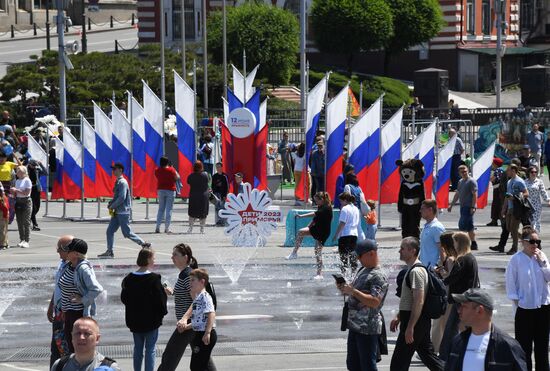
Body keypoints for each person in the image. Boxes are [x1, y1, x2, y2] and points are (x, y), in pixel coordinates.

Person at [157, 244, 216, 371]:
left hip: (188, 325)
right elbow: (189, 296)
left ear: (185, 257)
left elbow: (197, 301)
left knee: (170, 356)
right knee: (203, 361)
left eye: (175, 255)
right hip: (191, 324)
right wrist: (172, 291)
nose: (172, 257)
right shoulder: (184, 274)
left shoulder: (188, 275)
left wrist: (184, 319)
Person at [390, 237, 444, 371]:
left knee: (398, 363)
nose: (399, 251)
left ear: (412, 251)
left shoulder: (416, 271)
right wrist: (399, 316)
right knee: (428, 357)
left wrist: (410, 327)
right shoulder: (412, 269)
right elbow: (410, 300)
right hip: (417, 320)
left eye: (403, 248)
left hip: (415, 321)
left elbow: (419, 300)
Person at [444, 288, 527, 371]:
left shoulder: (507, 346)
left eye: (464, 306)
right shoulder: (457, 342)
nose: (459, 310)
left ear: (479, 310)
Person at [337, 239, 389, 370]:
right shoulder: (363, 270)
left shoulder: (378, 275)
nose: (358, 259)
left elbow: (375, 301)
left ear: (371, 253)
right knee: (353, 365)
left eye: (360, 256)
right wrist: (344, 288)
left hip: (367, 328)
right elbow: (355, 293)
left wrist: (353, 291)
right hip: (355, 325)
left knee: (367, 366)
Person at [506, 227, 550, 371]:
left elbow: (548, 278)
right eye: (532, 241)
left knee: (542, 348)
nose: (535, 245)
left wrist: (543, 262)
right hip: (525, 309)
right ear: (523, 242)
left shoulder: (541, 257)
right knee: (524, 349)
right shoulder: (516, 260)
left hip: (543, 308)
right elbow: (511, 286)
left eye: (537, 241)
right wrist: (518, 306)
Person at [121, 248, 168, 371]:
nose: (154, 260)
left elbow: (124, 298)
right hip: (151, 320)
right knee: (150, 349)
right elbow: (160, 300)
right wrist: (162, 313)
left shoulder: (129, 278)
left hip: (135, 320)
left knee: (138, 348)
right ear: (148, 259)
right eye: (153, 258)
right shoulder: (154, 279)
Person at [438, 232, 480, 361]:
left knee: (452, 328)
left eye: (455, 242)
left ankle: (445, 356)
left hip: (462, 300)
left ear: (459, 243)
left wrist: (438, 279)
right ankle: (475, 351)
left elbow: (452, 278)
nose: (454, 245)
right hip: (469, 298)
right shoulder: (470, 258)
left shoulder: (462, 259)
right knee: (468, 327)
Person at [57, 238, 103, 354]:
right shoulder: (69, 265)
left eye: (69, 251)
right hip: (68, 312)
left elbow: (96, 289)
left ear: (76, 254)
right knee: (70, 349)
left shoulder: (83, 268)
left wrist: (83, 299)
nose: (66, 253)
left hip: (77, 314)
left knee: (76, 350)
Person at [99, 163, 150, 258]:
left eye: (115, 169)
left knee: (127, 233)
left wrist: (113, 205)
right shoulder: (118, 181)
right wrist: (111, 203)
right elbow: (117, 196)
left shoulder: (122, 182)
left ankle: (144, 244)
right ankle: (109, 251)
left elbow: (122, 197)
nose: (113, 171)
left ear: (120, 170)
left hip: (123, 211)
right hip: (118, 211)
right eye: (113, 169)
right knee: (110, 231)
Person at [286, 192, 333, 279]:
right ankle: (294, 253)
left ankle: (319, 274)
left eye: (316, 201)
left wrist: (301, 216)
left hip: (323, 232)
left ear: (322, 200)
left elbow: (314, 214)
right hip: (317, 228)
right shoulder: (321, 206)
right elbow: (315, 219)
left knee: (317, 252)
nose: (315, 202)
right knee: (301, 232)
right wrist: (308, 227)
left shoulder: (327, 208)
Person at [180, 268, 217, 371]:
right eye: (189, 280)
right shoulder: (198, 297)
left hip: (205, 334)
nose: (190, 282)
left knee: (198, 366)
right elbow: (199, 320)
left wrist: (208, 332)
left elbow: (211, 313)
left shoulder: (205, 297)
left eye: (193, 280)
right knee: (198, 366)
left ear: (202, 282)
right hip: (200, 334)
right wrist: (186, 327)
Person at [51, 317, 121, 371]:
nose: (81, 337)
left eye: (87, 334)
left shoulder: (109, 367)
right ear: (72, 337)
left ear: (97, 339)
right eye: (78, 333)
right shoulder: (59, 365)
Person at [47, 235, 72, 367]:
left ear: (68, 249)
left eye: (60, 248)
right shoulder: (62, 264)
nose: (57, 251)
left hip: (67, 315)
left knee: (66, 350)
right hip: (58, 313)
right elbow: (58, 286)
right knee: (56, 349)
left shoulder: (76, 267)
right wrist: (51, 305)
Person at [431, 232, 457, 354]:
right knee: (442, 323)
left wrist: (441, 271)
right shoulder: (449, 257)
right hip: (446, 295)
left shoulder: (451, 259)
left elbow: (450, 278)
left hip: (447, 295)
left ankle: (436, 349)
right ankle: (440, 348)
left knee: (439, 323)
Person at [448, 165, 478, 250]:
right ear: (459, 173)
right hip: (463, 206)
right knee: (469, 227)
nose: (464, 173)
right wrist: (451, 205)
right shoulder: (460, 181)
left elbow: (475, 195)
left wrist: (472, 207)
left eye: (465, 171)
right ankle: (473, 243)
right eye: (462, 172)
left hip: (468, 207)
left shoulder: (471, 181)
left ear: (468, 171)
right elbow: (457, 194)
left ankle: (462, 244)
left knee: (462, 225)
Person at [502, 164, 529, 255]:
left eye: (508, 170)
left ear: (513, 171)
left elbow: (526, 193)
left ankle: (514, 248)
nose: (507, 172)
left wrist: (517, 196)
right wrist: (503, 208)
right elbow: (507, 196)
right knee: (509, 228)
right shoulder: (509, 181)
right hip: (509, 208)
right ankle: (527, 240)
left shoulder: (519, 181)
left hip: (517, 208)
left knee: (514, 228)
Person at [333, 192, 361, 275]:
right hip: (354, 234)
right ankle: (354, 273)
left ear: (345, 200)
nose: (341, 203)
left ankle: (344, 274)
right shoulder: (356, 208)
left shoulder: (345, 209)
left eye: (341, 201)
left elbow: (342, 223)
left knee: (343, 256)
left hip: (345, 234)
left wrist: (336, 235)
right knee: (352, 255)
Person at [155, 156, 179, 234]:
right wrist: (173, 168)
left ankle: (157, 227)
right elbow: (177, 177)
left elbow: (157, 177)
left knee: (161, 209)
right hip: (170, 190)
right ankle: (167, 228)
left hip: (161, 189)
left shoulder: (157, 170)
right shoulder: (171, 170)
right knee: (169, 209)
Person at [419, 199, 446, 268]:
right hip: (424, 267)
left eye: (422, 209)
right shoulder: (427, 226)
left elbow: (443, 250)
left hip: (433, 269)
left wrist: (440, 268)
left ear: (430, 210)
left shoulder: (436, 227)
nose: (420, 211)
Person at [187, 160, 210, 234]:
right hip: (203, 196)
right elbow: (208, 181)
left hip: (193, 196)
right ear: (201, 167)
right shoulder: (205, 175)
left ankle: (190, 228)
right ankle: (202, 229)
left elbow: (188, 182)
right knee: (203, 213)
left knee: (192, 212)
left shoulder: (191, 176)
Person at [12, 165, 32, 248]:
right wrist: (13, 193)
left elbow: (26, 193)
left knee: (26, 222)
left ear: (23, 172)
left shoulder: (27, 180)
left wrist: (16, 190)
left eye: (18, 171)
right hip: (18, 201)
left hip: (26, 201)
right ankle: (22, 239)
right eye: (17, 171)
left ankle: (27, 240)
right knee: (19, 222)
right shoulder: (17, 181)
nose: (17, 172)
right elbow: (16, 193)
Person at [525, 165, 550, 232]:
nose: (534, 173)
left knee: (535, 221)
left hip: (537, 205)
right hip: (527, 205)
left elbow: (543, 192)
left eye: (535, 172)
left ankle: (535, 236)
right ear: (529, 173)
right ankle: (530, 235)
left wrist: (548, 200)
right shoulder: (525, 182)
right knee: (529, 221)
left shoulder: (539, 182)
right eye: (532, 172)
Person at [27, 159, 47, 231]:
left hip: (36, 188)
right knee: (33, 207)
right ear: (29, 164)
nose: (34, 167)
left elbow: (46, 173)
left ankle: (28, 219)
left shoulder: (37, 170)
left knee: (37, 206)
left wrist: (41, 164)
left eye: (35, 165)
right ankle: (35, 224)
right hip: (29, 189)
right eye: (33, 165)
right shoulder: (26, 170)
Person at [487, 157, 505, 226]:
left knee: (496, 204)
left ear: (495, 164)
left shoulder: (497, 170)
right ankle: (499, 219)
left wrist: (489, 179)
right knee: (499, 204)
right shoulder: (502, 170)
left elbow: (494, 179)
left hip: (497, 189)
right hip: (501, 189)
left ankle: (495, 220)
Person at [211, 162, 229, 227]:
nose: (218, 168)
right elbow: (212, 186)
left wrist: (225, 195)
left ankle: (223, 221)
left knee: (223, 208)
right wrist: (214, 194)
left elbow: (227, 186)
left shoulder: (225, 176)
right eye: (216, 167)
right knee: (217, 208)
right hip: (216, 194)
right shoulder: (214, 176)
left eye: (219, 167)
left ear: (222, 167)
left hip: (223, 194)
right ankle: (218, 221)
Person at [0, 184, 8, 249]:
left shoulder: (2, 198)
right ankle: (5, 243)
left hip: (2, 213)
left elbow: (5, 208)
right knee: (3, 228)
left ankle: (3, 244)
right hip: (4, 213)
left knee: (2, 228)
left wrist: (5, 215)